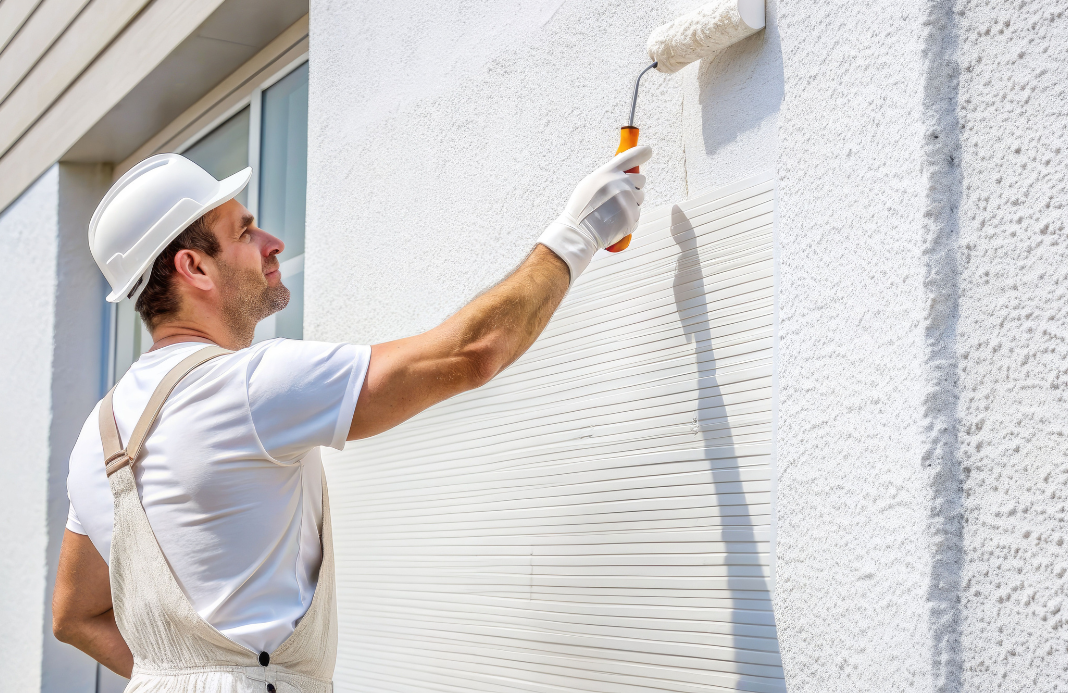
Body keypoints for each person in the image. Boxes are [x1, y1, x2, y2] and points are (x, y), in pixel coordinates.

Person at [52, 145, 651, 691]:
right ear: (195, 268)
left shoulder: (96, 435)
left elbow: (75, 615)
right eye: (244, 232)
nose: (272, 244)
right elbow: (471, 353)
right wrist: (578, 233)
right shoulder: (247, 386)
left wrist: (186, 678)